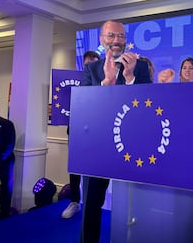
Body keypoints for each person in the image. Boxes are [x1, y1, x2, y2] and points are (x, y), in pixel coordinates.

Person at [79, 20, 151, 243]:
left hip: (131, 149)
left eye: (120, 36)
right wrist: (107, 82)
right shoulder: (91, 69)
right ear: (102, 39)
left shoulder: (139, 67)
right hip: (98, 150)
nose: (116, 41)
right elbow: (86, 110)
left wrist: (130, 79)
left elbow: (146, 109)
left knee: (133, 205)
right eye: (111, 36)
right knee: (91, 204)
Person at [61, 50, 100, 219]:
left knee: (97, 170)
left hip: (99, 132)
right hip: (76, 129)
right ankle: (75, 202)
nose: (90, 67)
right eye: (87, 64)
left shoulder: (106, 84)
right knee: (75, 167)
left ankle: (94, 203)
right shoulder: (74, 84)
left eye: (94, 64)